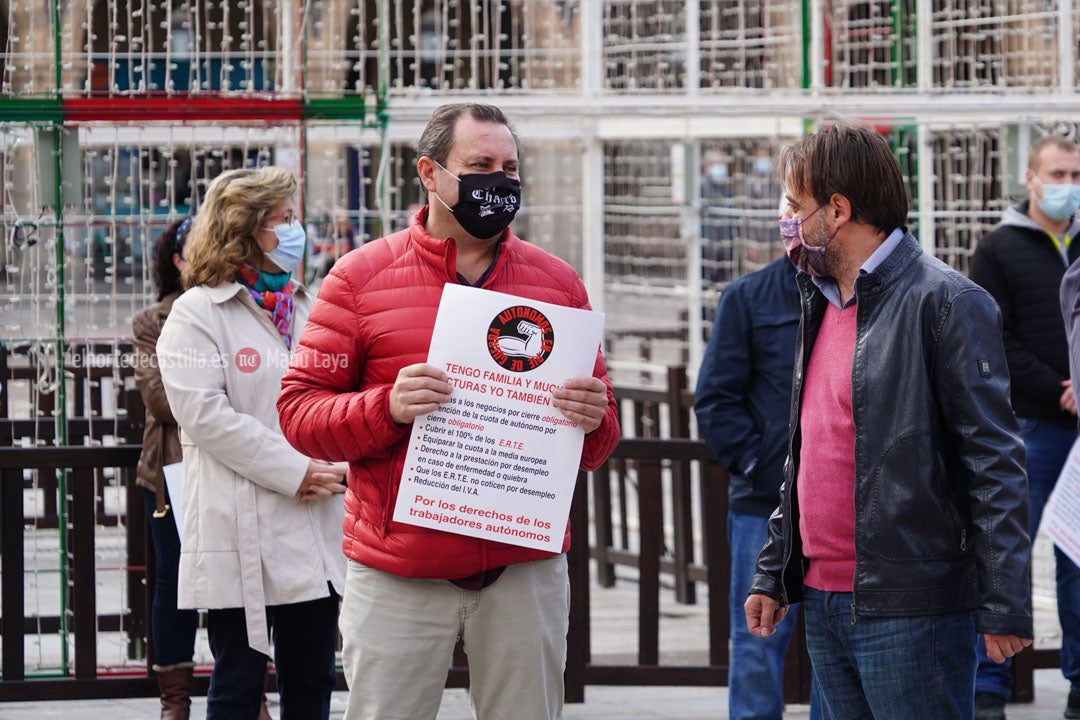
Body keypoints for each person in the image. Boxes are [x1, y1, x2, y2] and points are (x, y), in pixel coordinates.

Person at [275, 102, 621, 720]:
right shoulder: (358, 279)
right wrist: (388, 406)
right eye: (481, 164)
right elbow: (299, 414)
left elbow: (596, 445)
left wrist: (596, 417)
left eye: (510, 168)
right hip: (399, 570)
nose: (501, 181)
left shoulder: (558, 283)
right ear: (430, 174)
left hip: (524, 569)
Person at [743, 125, 1033, 720]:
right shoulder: (820, 299)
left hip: (912, 607)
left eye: (796, 207)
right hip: (823, 599)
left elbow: (994, 461)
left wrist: (1004, 599)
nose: (787, 222)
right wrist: (774, 571)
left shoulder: (947, 301)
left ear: (839, 210)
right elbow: (809, 451)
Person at [156, 166, 347, 720]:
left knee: (312, 684)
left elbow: (334, 397)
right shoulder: (197, 313)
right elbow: (205, 416)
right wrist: (297, 470)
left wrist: (330, 466)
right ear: (246, 229)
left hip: (314, 528)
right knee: (237, 687)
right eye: (285, 220)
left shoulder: (310, 308)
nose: (297, 231)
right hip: (244, 529)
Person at [970, 133, 1080, 720]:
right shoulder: (999, 250)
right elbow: (994, 336)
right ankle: (988, 688)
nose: (1069, 185)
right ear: (1032, 179)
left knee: (1079, 562)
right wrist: (1060, 389)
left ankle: (1079, 686)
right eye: (1058, 173)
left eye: (1077, 174)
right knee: (1005, 555)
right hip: (1029, 430)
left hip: (1079, 436)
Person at [694, 251, 822, 720]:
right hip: (763, 504)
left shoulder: (862, 293)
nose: (793, 218)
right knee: (757, 635)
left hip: (844, 501)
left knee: (840, 643)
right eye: (787, 206)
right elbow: (715, 398)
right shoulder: (748, 296)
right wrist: (757, 464)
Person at [133, 216, 199, 720]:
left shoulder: (246, 306)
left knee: (241, 584)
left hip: (235, 467)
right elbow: (159, 401)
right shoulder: (153, 321)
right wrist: (218, 401)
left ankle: (246, 690)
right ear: (176, 260)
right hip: (171, 475)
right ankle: (174, 700)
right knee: (174, 585)